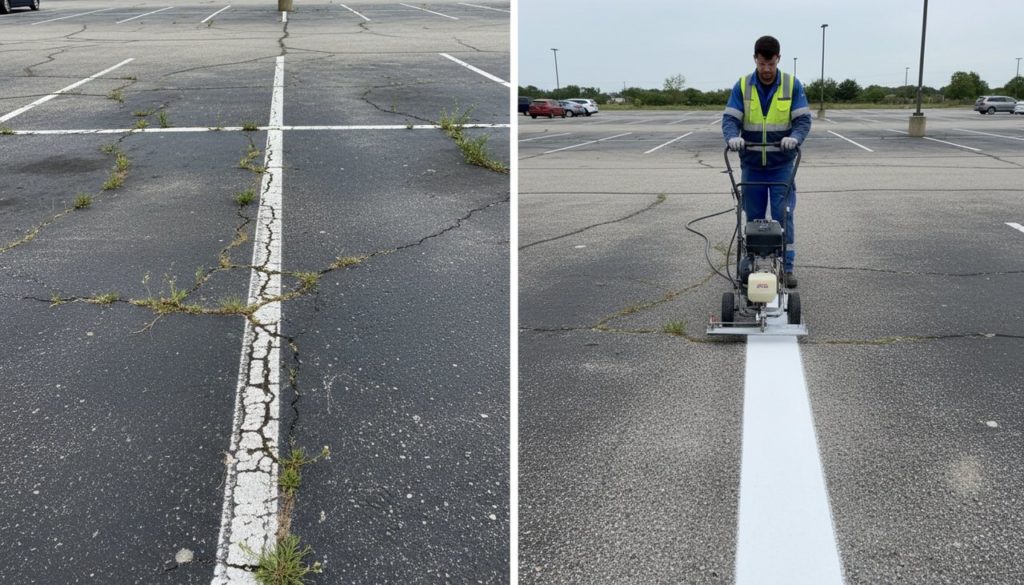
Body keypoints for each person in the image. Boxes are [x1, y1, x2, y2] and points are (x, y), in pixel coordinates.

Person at [722, 35, 811, 288]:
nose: (767, 70)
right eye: (762, 64)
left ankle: (787, 266)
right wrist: (732, 138)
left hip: (781, 164)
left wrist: (795, 137)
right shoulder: (742, 86)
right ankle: (751, 264)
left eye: (771, 64)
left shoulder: (792, 85)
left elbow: (803, 121)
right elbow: (730, 119)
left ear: (778, 59)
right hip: (751, 163)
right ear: (755, 60)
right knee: (754, 217)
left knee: (783, 216)